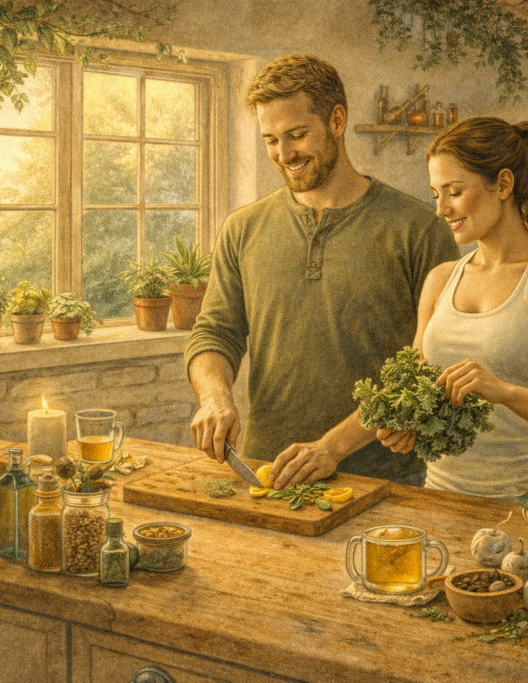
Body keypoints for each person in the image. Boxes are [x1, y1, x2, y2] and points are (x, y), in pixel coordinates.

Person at [185, 54, 458, 490]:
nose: (284, 154)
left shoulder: (419, 229)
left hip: (384, 479)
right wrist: (215, 397)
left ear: (336, 120)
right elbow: (216, 332)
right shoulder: (242, 228)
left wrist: (332, 447)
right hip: (264, 472)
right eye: (271, 139)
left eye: (297, 135)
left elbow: (434, 360)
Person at [377, 117, 528, 501]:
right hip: (440, 497)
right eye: (435, 193)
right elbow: (422, 390)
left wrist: (504, 392)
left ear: (503, 184)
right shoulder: (440, 279)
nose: (441, 209)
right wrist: (407, 425)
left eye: (454, 191)